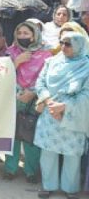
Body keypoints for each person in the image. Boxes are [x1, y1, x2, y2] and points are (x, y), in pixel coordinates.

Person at [34, 32, 89, 199]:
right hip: (50, 113)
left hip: (73, 116)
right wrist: (50, 102)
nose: (63, 47)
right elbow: (40, 82)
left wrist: (65, 107)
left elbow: (87, 94)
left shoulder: (86, 66)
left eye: (68, 44)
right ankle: (48, 185)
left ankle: (70, 188)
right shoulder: (51, 62)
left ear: (79, 45)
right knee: (48, 152)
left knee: (72, 154)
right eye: (62, 43)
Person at [4, 22, 52, 183]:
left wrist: (33, 92)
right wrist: (16, 62)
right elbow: (2, 75)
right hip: (13, 97)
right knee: (13, 133)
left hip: (35, 98)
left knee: (31, 134)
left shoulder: (46, 54)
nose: (22, 36)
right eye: (20, 33)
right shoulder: (10, 52)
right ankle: (10, 168)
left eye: (26, 33)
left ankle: (31, 170)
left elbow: (47, 77)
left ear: (34, 35)